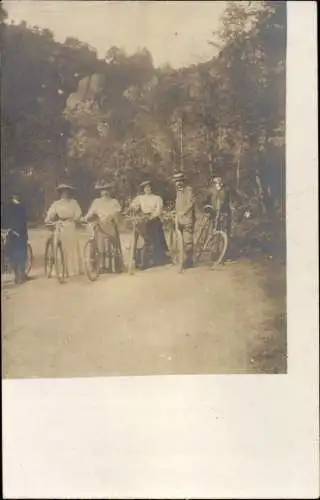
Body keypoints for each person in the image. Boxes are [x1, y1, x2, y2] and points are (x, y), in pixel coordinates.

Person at [83, 180, 124, 272]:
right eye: (103, 190)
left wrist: (110, 217)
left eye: (107, 190)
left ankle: (112, 266)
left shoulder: (114, 202)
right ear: (100, 192)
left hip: (110, 225)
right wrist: (85, 218)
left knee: (111, 242)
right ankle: (99, 265)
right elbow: (90, 213)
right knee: (96, 240)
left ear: (110, 191)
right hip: (100, 226)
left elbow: (117, 212)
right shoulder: (96, 202)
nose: (105, 192)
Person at [45, 183, 83, 277]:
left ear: (69, 192)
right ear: (60, 193)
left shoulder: (73, 202)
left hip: (70, 225)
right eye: (62, 192)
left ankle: (72, 270)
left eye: (66, 192)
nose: (65, 194)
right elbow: (50, 214)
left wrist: (76, 218)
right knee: (60, 246)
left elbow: (78, 213)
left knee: (71, 247)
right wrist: (48, 220)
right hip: (60, 225)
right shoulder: (56, 204)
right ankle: (60, 269)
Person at [129, 180, 169, 268]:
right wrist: (134, 208)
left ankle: (158, 259)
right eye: (146, 187)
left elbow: (158, 210)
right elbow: (133, 205)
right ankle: (139, 258)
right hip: (144, 218)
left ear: (151, 188)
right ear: (143, 189)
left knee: (155, 231)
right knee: (141, 233)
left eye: (149, 187)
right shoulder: (140, 198)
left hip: (154, 218)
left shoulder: (157, 198)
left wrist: (152, 217)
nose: (147, 189)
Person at [2, 191, 29, 284]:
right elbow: (23, 220)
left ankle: (19, 275)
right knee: (19, 254)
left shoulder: (10, 207)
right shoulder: (16, 207)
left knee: (17, 254)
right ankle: (19, 275)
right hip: (17, 233)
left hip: (16, 233)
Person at [173, 172, 196, 269]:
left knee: (188, 240)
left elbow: (190, 203)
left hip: (187, 218)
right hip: (179, 218)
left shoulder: (188, 190)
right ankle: (181, 258)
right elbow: (178, 204)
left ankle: (189, 261)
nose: (177, 183)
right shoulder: (178, 192)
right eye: (176, 181)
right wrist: (175, 211)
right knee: (180, 239)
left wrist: (183, 211)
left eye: (179, 181)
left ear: (183, 181)